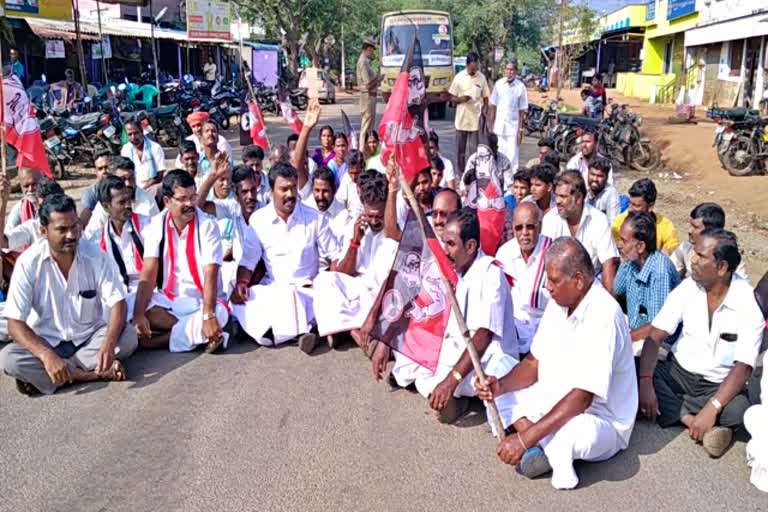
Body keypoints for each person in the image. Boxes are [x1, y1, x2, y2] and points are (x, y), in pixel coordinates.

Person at [475, 237, 637, 490]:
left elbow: (583, 398)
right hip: (555, 396)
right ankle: (543, 444)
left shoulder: (604, 315)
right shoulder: (560, 302)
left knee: (571, 435)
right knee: (497, 381)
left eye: (553, 281)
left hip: (599, 418)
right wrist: (499, 387)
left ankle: (543, 444)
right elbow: (531, 363)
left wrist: (524, 439)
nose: (548, 288)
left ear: (579, 280)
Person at [377, 209, 519, 424]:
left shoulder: (491, 274)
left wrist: (452, 380)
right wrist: (386, 340)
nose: (445, 250)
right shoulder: (454, 269)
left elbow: (483, 336)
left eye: (451, 244)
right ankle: (460, 401)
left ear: (470, 246)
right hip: (459, 350)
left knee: (497, 383)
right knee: (420, 365)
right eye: (444, 243)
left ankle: (462, 395)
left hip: (490, 357)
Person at [638, 229, 764, 458]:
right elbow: (655, 336)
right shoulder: (688, 288)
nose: (693, 261)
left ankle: (680, 413)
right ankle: (694, 421)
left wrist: (714, 406)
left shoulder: (747, 303)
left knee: (739, 410)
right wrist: (645, 381)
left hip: (716, 386)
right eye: (694, 254)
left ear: (723, 267)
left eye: (701, 256)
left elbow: (743, 367)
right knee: (635, 372)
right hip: (676, 374)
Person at [0, 194, 138, 396]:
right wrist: (46, 356)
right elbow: (14, 324)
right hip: (48, 343)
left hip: (89, 339)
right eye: (62, 230)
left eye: (75, 227)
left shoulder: (94, 255)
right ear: (43, 231)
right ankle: (91, 374)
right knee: (9, 359)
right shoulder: (28, 263)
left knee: (127, 336)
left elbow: (118, 302)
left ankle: (62, 374)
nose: (72, 235)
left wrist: (108, 344)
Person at [233, 163, 341, 353]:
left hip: (307, 292)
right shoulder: (259, 220)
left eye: (293, 188)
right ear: (271, 191)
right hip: (273, 291)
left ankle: (281, 332)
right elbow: (248, 262)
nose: (290, 194)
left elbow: (335, 257)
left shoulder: (315, 218)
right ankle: (305, 332)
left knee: (301, 299)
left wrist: (328, 285)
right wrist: (242, 282)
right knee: (244, 297)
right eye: (284, 189)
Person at [131, 170, 229, 353]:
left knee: (220, 314)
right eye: (183, 199)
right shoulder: (156, 225)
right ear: (167, 202)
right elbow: (149, 271)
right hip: (169, 302)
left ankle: (159, 341)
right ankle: (202, 333)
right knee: (133, 304)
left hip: (203, 301)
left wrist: (208, 314)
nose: (190, 204)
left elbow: (211, 272)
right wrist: (138, 315)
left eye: (193, 197)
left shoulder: (207, 225)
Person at [313, 170, 397, 344]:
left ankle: (347, 331)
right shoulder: (356, 224)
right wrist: (355, 242)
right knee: (323, 280)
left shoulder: (394, 233)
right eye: (370, 215)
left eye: (379, 216)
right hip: (359, 292)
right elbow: (342, 272)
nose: (373, 221)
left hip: (382, 299)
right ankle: (353, 331)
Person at [542, 170, 619, 292]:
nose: (557, 201)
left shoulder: (598, 220)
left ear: (578, 198)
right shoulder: (550, 219)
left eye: (562, 196)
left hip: (591, 285)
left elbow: (609, 263)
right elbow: (545, 261)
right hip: (559, 287)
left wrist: (610, 305)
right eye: (556, 196)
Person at [613, 212, 680, 351]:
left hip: (658, 342)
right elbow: (617, 290)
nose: (619, 245)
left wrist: (626, 339)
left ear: (640, 246)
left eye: (624, 241)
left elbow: (658, 326)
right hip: (636, 331)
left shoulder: (660, 271)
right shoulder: (631, 260)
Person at [197, 164, 262, 300]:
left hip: (260, 276)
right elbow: (198, 205)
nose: (250, 196)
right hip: (238, 275)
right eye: (244, 192)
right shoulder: (232, 207)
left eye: (253, 190)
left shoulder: (266, 210)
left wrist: (245, 284)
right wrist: (213, 176)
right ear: (236, 196)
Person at [495, 202, 552, 355]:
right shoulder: (504, 253)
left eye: (530, 227)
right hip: (513, 333)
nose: (524, 233)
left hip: (547, 333)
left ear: (539, 227)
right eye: (519, 228)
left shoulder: (553, 252)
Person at [91, 176, 150, 318]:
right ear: (106, 207)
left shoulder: (147, 225)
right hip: (118, 297)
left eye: (129, 200)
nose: (128, 205)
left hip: (148, 292)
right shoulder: (97, 239)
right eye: (121, 202)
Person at [83, 157, 160, 240]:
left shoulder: (147, 201)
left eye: (132, 178)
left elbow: (155, 234)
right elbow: (90, 234)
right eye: (123, 179)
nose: (128, 184)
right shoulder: (107, 202)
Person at [670, 202, 748, 281]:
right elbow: (671, 271)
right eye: (691, 225)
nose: (689, 231)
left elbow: (743, 287)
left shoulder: (730, 258)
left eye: (695, 227)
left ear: (711, 231)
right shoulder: (686, 247)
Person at [611, 178, 679, 255]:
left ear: (650, 206)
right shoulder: (619, 222)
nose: (630, 209)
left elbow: (674, 251)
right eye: (630, 203)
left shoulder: (665, 225)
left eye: (636, 205)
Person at [448, 52, 490, 173]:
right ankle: (461, 174)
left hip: (475, 121)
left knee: (474, 152)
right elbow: (451, 97)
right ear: (467, 65)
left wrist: (485, 112)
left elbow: (486, 97)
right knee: (460, 151)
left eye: (476, 67)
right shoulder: (459, 77)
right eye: (472, 68)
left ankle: (472, 174)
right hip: (461, 121)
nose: (474, 70)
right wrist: (460, 99)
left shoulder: (481, 77)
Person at [0, 180, 65, 252]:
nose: (45, 212)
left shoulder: (74, 227)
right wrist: (3, 202)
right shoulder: (33, 227)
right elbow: (2, 242)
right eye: (42, 207)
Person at [489, 60, 528, 172]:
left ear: (515, 72)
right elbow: (493, 106)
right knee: (498, 153)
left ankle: (511, 183)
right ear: (504, 71)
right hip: (499, 127)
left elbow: (522, 110)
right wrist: (491, 126)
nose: (509, 72)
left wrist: (520, 130)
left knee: (512, 157)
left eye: (512, 70)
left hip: (513, 128)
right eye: (507, 69)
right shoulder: (499, 84)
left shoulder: (520, 87)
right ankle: (498, 178)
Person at [303, 166, 350, 240]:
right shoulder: (305, 208)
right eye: (317, 190)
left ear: (334, 190)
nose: (320, 196)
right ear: (312, 189)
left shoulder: (343, 216)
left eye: (325, 191)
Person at [120, 120, 166, 191]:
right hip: (133, 186)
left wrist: (142, 190)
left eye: (136, 133)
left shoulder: (155, 148)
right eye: (130, 134)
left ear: (142, 132)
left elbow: (159, 176)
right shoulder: (126, 149)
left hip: (152, 185)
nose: (133, 137)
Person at [357, 37, 384, 150]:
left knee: (370, 128)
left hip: (370, 98)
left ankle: (369, 150)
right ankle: (362, 151)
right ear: (367, 49)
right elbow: (368, 85)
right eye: (372, 50)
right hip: (367, 98)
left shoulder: (366, 62)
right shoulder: (363, 62)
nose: (372, 52)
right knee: (366, 127)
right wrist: (378, 79)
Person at [78, 151, 112, 226]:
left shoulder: (123, 189)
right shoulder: (90, 193)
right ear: (96, 172)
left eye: (107, 167)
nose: (104, 171)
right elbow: (84, 222)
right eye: (100, 169)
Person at [586, 156, 620, 224]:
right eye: (592, 174)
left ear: (606, 177)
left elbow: (612, 224)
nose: (595, 179)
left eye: (600, 176)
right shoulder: (583, 190)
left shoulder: (611, 194)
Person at [336, 149, 365, 217]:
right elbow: (339, 202)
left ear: (362, 168)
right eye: (351, 173)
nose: (353, 177)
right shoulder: (346, 179)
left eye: (357, 173)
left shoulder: (370, 178)